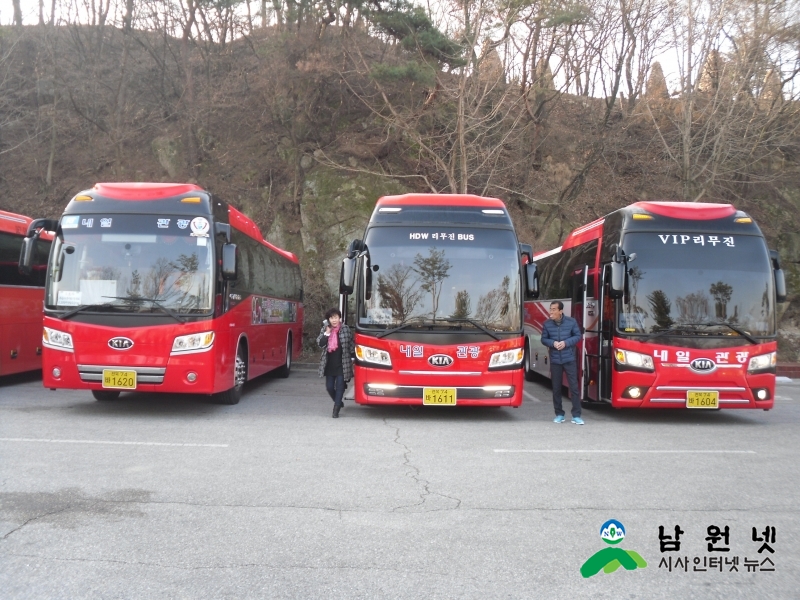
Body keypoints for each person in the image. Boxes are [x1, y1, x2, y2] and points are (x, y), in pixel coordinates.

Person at [540, 300, 584, 425]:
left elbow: (577, 336)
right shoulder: (547, 324)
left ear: (561, 311)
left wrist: (565, 343)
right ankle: (559, 414)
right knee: (556, 388)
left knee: (574, 388)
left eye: (554, 309)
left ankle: (576, 415)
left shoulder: (571, 322)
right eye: (551, 309)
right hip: (555, 360)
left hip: (569, 359)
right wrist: (552, 343)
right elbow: (544, 339)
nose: (551, 312)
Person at [317, 308, 354, 418]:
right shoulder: (325, 329)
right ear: (328, 319)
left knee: (340, 386)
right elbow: (320, 344)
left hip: (343, 363)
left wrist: (353, 358)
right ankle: (338, 401)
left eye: (336, 317)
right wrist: (327, 333)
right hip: (329, 363)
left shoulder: (345, 329)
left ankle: (336, 408)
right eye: (332, 318)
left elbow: (351, 344)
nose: (334, 320)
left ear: (339, 318)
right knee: (329, 387)